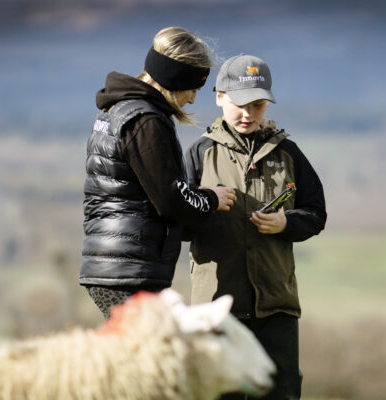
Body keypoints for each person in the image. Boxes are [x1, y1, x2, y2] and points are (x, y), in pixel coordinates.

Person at [184, 54, 327, 400]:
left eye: (258, 105)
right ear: (219, 97)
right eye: (239, 103)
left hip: (275, 307)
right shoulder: (198, 154)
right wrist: (207, 204)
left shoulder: (289, 153)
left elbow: (316, 214)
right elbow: (177, 219)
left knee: (281, 393)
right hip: (216, 310)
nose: (248, 114)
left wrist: (285, 223)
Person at [79, 27, 236, 319]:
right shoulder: (146, 120)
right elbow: (169, 199)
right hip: (130, 270)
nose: (192, 100)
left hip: (112, 264)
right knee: (141, 360)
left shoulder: (116, 109)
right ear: (176, 80)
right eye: (194, 89)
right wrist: (211, 199)